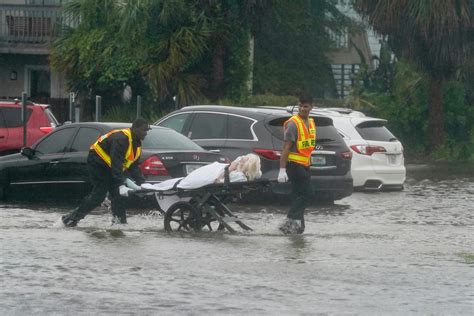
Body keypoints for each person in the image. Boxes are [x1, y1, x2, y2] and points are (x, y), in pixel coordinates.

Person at [61, 118, 150, 227]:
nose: (146, 133)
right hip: (97, 163)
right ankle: (70, 219)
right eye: (144, 130)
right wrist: (120, 184)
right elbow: (116, 162)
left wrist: (143, 183)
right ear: (135, 128)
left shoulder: (137, 144)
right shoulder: (121, 138)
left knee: (118, 196)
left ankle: (119, 224)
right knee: (99, 194)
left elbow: (133, 166)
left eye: (147, 130)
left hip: (111, 166)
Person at [277, 94, 316, 234]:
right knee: (308, 194)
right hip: (294, 165)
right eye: (300, 106)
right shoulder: (293, 124)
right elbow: (286, 148)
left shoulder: (311, 123)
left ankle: (299, 228)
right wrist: (282, 170)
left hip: (305, 165)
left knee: (298, 195)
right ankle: (289, 222)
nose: (302, 109)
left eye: (305, 106)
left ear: (311, 107)